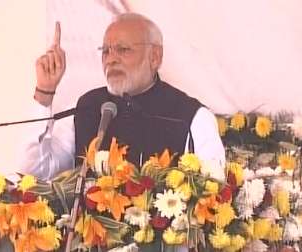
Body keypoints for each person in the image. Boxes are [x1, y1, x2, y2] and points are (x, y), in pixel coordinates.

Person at [21, 13, 225, 183]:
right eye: (106, 51)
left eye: (123, 50)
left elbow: (213, 195)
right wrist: (44, 92)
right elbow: (35, 173)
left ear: (155, 57)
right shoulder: (85, 107)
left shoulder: (191, 117)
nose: (111, 59)